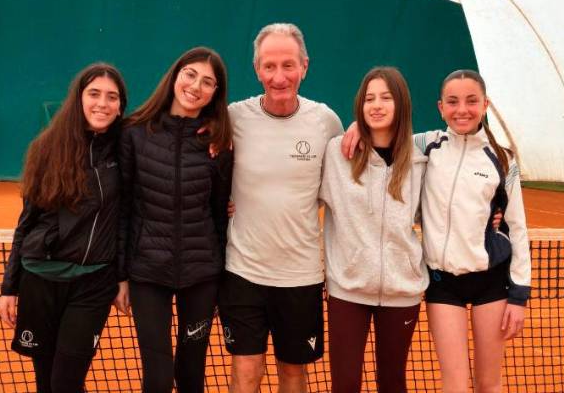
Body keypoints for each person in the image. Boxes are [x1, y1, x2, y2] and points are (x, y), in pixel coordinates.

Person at [342, 69, 530, 392]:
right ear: (440, 107)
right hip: (442, 285)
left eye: (471, 101)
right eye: (453, 102)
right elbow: (385, 135)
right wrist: (359, 124)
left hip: (491, 284)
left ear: (485, 104)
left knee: (488, 383)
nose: (462, 110)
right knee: (454, 384)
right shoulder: (425, 146)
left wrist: (519, 296)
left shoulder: (502, 159)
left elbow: (517, 228)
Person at [218, 23, 343, 393]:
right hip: (242, 272)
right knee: (245, 371)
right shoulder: (232, 118)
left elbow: (351, 180)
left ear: (304, 66)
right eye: (269, 67)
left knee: (293, 373)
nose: (279, 77)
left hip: (300, 276)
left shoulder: (327, 122)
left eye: (288, 65)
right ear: (257, 69)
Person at [0, 62, 127, 393]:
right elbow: (26, 223)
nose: (102, 103)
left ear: (121, 105)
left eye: (112, 97)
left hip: (94, 282)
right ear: (78, 98)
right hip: (39, 279)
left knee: (66, 381)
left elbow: (129, 218)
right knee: (47, 382)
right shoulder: (46, 148)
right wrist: (9, 287)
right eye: (94, 94)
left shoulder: (128, 148)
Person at [113, 46, 233, 393]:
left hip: (202, 275)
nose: (196, 86)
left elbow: (219, 212)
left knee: (192, 374)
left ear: (215, 93)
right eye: (191, 74)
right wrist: (121, 276)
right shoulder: (134, 132)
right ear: (175, 76)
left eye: (208, 82)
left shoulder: (218, 142)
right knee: (159, 377)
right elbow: (123, 210)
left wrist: (222, 275)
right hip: (148, 274)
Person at [319, 67, 428, 392]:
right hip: (347, 290)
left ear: (401, 105)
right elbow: (298, 195)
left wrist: (495, 213)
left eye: (385, 97)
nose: (376, 105)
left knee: (393, 383)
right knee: (345, 384)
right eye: (369, 98)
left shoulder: (421, 162)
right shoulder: (337, 154)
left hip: (402, 292)